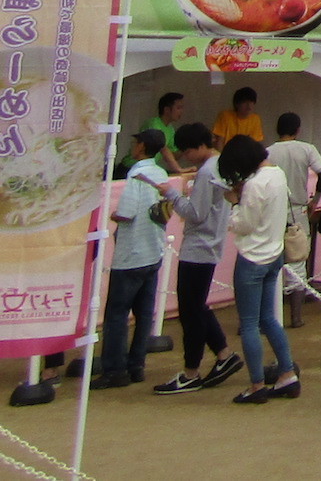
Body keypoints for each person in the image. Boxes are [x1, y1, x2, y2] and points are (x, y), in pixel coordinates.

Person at [155, 125, 241, 393]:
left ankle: (191, 371)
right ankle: (224, 354)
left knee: (190, 311)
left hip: (199, 247)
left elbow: (196, 212)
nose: (186, 156)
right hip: (209, 244)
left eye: (188, 151)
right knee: (196, 306)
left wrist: (172, 195)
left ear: (197, 147)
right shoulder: (219, 166)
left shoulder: (206, 172)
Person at [220, 134, 298, 404]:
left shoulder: (253, 184)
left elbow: (244, 224)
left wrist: (233, 202)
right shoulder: (277, 175)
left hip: (252, 257)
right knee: (268, 319)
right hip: (275, 253)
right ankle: (287, 373)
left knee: (250, 323)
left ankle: (256, 385)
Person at [94, 129, 171, 388]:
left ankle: (115, 369)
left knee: (117, 314)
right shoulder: (160, 174)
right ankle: (136, 365)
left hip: (131, 255)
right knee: (144, 314)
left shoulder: (136, 174)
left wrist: (114, 215)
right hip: (153, 250)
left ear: (141, 147)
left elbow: (127, 213)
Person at [268, 113, 321, 328]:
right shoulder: (306, 149)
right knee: (298, 259)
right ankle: (296, 317)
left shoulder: (269, 151)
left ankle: (273, 314)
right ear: (297, 129)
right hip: (298, 209)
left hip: (274, 209)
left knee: (272, 257)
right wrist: (315, 201)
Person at [147, 92, 190, 174]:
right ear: (166, 109)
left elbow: (173, 155)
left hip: (148, 169)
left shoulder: (170, 129)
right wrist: (178, 168)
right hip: (131, 167)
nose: (181, 112)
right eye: (178, 108)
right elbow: (164, 149)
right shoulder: (154, 123)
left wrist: (187, 145)